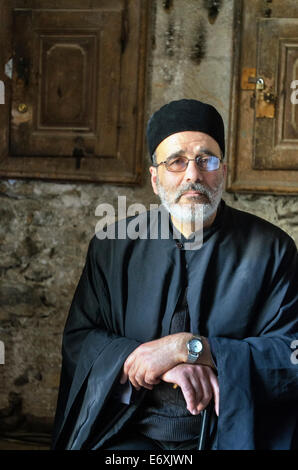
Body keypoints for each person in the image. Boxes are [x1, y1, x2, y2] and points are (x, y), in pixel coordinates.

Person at [52, 99, 298, 450]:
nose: (193, 174)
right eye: (176, 161)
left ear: (223, 172)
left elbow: (290, 354)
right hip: (129, 427)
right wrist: (152, 361)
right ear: (155, 178)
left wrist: (192, 349)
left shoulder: (272, 250)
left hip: (230, 431)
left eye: (206, 160)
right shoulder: (114, 246)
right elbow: (80, 339)